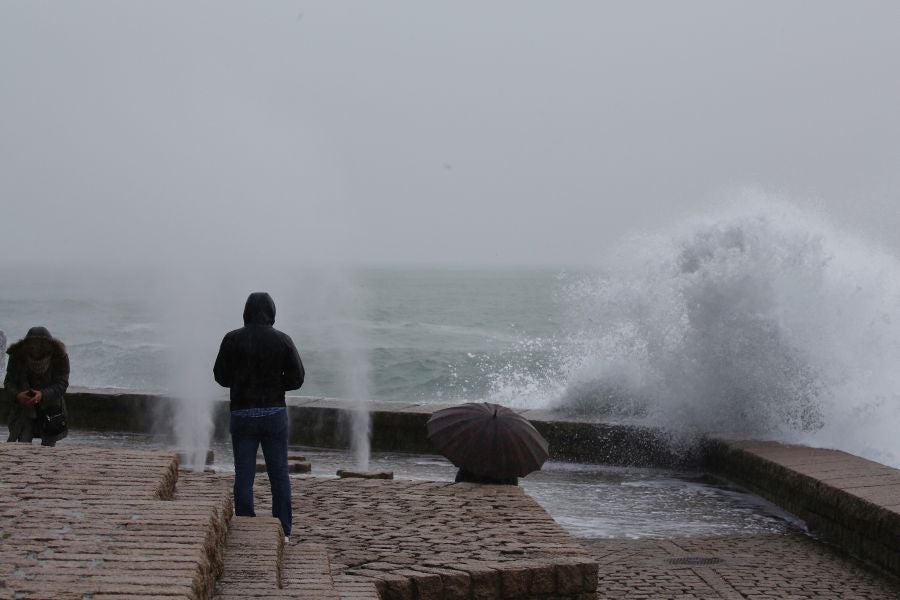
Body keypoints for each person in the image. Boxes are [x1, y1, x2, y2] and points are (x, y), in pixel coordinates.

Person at [214, 292, 304, 542]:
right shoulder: (283, 340)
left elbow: (220, 375)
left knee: (244, 473)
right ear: (272, 312)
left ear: (246, 311)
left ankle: (245, 523)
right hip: (274, 412)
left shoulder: (232, 339)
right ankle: (284, 530)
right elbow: (297, 379)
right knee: (279, 473)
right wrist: (275, 385)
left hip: (242, 413)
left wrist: (241, 383)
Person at [5, 326, 70, 446]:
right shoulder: (17, 356)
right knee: (22, 446)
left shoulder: (59, 357)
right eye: (32, 343)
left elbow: (62, 383)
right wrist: (18, 395)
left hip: (50, 407)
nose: (36, 347)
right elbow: (9, 382)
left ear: (48, 345)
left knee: (48, 449)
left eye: (40, 343)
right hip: (24, 408)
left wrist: (42, 395)